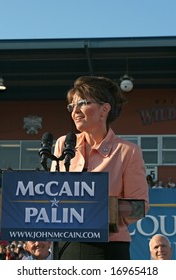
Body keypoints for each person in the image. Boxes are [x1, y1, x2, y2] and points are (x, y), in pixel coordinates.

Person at [51, 75, 149, 260]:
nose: (75, 111)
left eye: (82, 103)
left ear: (104, 109)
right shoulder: (63, 144)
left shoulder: (128, 152)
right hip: (66, 245)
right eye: (72, 106)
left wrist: (100, 211)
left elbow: (140, 207)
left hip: (109, 247)